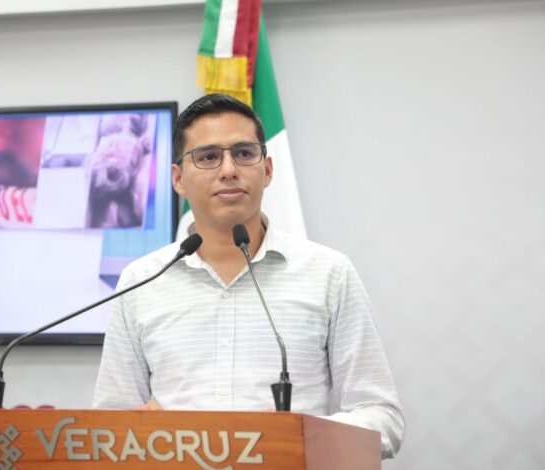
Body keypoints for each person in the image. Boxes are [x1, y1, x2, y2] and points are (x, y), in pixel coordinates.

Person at [93, 94, 405, 458]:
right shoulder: (141, 281)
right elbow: (109, 423)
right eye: (208, 157)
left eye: (243, 153)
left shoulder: (328, 274)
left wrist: (299, 438)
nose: (228, 169)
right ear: (178, 179)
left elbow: (383, 418)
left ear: (267, 169)